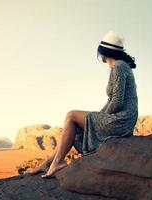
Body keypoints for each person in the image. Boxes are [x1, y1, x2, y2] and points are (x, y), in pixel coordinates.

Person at [26, 31, 139, 178]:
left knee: (71, 115)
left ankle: (56, 162)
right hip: (122, 118)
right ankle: (49, 162)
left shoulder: (119, 66)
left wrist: (100, 118)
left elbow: (117, 102)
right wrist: (97, 118)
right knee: (73, 124)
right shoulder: (119, 67)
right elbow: (113, 101)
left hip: (121, 120)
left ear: (103, 51)